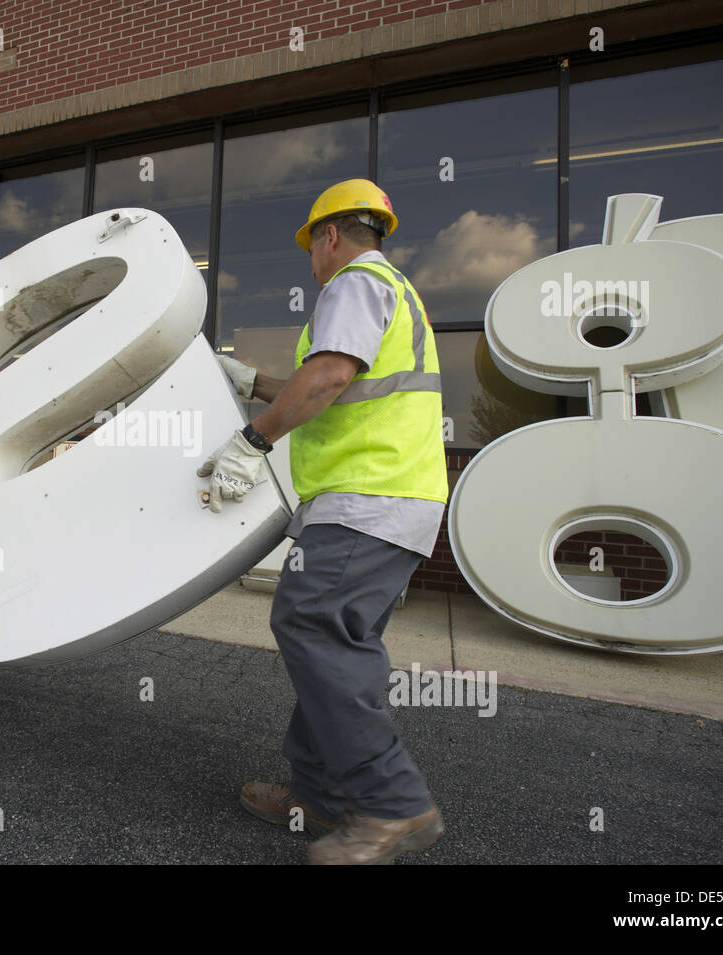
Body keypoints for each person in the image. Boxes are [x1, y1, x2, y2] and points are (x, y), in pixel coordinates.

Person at [198, 180, 448, 864]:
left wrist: (251, 440)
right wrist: (249, 379)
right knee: (333, 643)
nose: (311, 262)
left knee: (311, 626)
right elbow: (332, 379)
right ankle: (317, 794)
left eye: (312, 247)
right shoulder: (389, 289)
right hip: (393, 499)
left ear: (330, 236)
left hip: (366, 496)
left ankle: (393, 805)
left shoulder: (356, 282)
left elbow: (332, 374)